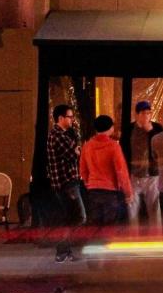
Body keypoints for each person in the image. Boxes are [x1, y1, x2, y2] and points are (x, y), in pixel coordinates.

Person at [46, 104, 85, 262]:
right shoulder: (58, 135)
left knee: (69, 218)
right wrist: (76, 150)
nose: (72, 120)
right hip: (67, 183)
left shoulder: (60, 135)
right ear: (60, 118)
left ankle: (65, 251)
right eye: (69, 117)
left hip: (65, 183)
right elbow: (73, 154)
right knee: (80, 216)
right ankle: (62, 248)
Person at [80, 115, 132, 226]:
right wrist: (128, 193)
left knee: (96, 226)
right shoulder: (113, 146)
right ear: (110, 128)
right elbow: (121, 171)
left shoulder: (87, 146)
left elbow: (83, 170)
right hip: (110, 191)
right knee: (110, 227)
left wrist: (89, 183)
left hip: (93, 191)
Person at [124, 100, 163, 229]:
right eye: (144, 113)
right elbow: (124, 149)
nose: (147, 116)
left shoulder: (156, 128)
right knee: (132, 209)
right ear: (137, 114)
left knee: (154, 208)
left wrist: (151, 132)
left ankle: (157, 239)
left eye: (149, 113)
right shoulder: (130, 129)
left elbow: (161, 147)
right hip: (134, 175)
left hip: (152, 175)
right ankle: (133, 238)